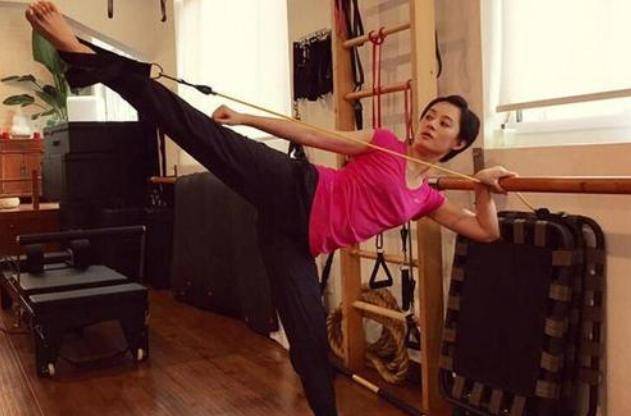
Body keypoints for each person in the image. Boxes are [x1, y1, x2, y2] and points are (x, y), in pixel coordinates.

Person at [24, 2, 515, 415]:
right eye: (430, 115)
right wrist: (245, 118)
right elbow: (311, 135)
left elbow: (485, 232)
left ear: (458, 143)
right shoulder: (384, 143)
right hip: (294, 188)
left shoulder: (427, 199)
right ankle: (81, 54)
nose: (431, 123)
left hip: (293, 241)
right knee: (197, 130)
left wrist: (484, 189)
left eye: (444, 123)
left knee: (310, 340)